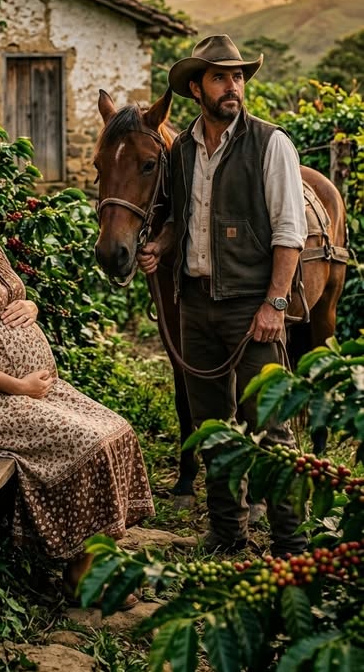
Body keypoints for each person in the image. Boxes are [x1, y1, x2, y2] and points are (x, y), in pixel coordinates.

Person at [0, 144, 154, 605]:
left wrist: (31, 306)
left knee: (117, 429)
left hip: (29, 389)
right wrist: (17, 385)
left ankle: (98, 557)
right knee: (86, 442)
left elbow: (10, 300)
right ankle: (80, 572)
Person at [137, 34, 308, 557]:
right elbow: (181, 218)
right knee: (212, 428)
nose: (232, 86)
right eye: (220, 78)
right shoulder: (182, 149)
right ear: (196, 88)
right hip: (195, 305)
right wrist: (161, 245)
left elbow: (290, 232)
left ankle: (292, 542)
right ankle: (228, 532)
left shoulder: (270, 143)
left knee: (270, 428)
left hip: (251, 306)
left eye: (237, 77)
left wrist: (274, 303)